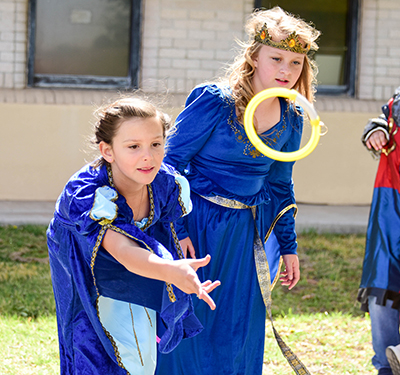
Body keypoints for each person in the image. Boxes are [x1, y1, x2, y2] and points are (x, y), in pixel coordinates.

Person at [155, 6, 320, 375]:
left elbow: (280, 185)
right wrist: (177, 230)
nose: (285, 71)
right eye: (276, 58)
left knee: (238, 325)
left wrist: (289, 246)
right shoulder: (215, 100)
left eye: (295, 63)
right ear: (254, 56)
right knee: (192, 320)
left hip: (246, 233)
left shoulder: (293, 118)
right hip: (197, 225)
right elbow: (170, 164)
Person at [47, 97, 220, 375]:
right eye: (133, 147)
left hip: (138, 263)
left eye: (156, 144)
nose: (148, 156)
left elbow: (165, 222)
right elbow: (123, 250)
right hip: (86, 260)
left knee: (140, 349)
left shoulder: (164, 180)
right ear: (108, 150)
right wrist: (170, 270)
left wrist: (172, 263)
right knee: (91, 341)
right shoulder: (88, 195)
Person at [357, 87, 400, 375]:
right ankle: (386, 366)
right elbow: (382, 124)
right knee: (383, 291)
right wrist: (375, 129)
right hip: (391, 208)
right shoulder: (395, 108)